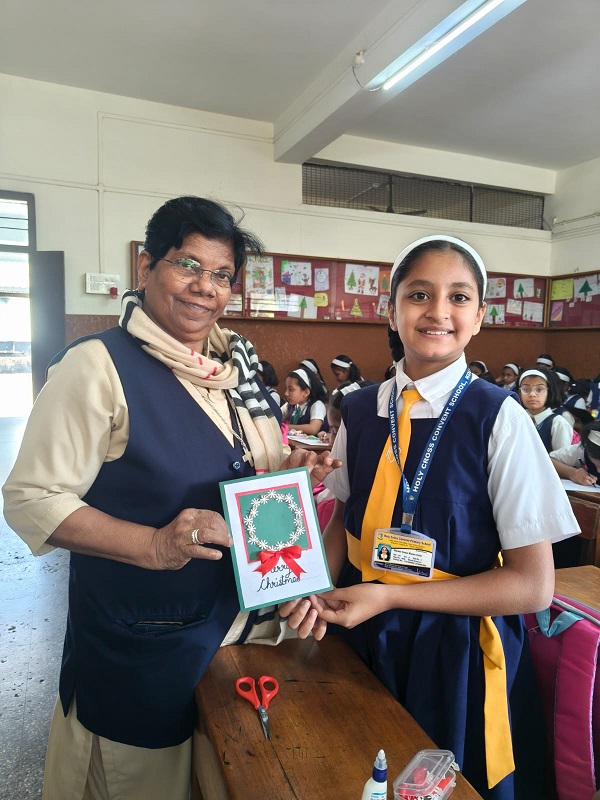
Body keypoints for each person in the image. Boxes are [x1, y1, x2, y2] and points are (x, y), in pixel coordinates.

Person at [2, 196, 339, 800]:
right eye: (187, 264)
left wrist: (290, 470)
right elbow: (32, 498)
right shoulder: (98, 366)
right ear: (146, 266)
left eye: (222, 275)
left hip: (243, 636)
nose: (205, 287)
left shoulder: (237, 368)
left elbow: (242, 472)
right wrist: (155, 544)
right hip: (147, 645)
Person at [281, 235, 579, 800]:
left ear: (479, 316)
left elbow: (532, 586)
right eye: (419, 294)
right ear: (390, 310)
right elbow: (343, 519)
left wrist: (391, 598)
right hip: (357, 625)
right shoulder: (361, 410)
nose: (438, 311)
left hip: (454, 649)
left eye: (458, 297)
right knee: (352, 768)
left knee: (436, 782)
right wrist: (312, 585)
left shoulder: (499, 418)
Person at [517, 367, 572, 452]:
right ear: (519, 394)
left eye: (539, 389)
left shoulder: (557, 423)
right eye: (526, 389)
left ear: (549, 393)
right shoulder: (515, 419)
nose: (532, 394)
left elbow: (561, 457)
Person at [549, 421, 600, 487]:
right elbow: (550, 460)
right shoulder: (582, 450)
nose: (598, 471)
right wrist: (572, 473)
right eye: (596, 465)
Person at [281, 367, 328, 435]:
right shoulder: (290, 405)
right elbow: (275, 418)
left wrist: (285, 427)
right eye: (286, 389)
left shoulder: (317, 405)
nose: (286, 393)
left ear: (306, 392)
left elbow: (313, 429)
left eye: (290, 389)